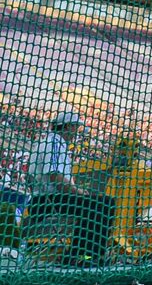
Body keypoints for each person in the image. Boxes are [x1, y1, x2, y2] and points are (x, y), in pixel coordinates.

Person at [24, 111, 115, 267]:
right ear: (66, 127)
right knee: (104, 204)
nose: (76, 133)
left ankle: (78, 255)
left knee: (94, 204)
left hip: (45, 199)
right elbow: (54, 176)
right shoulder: (54, 143)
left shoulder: (50, 142)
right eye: (74, 128)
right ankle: (86, 256)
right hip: (47, 201)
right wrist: (78, 191)